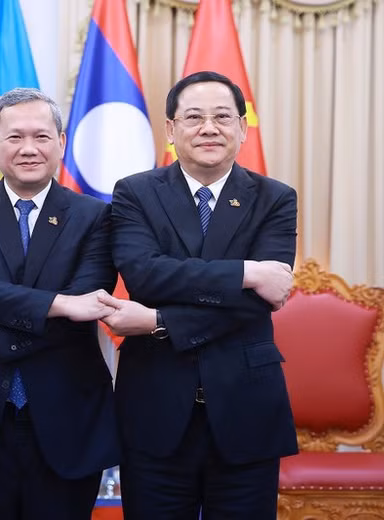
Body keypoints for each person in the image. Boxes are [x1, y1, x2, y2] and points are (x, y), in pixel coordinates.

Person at [98, 71, 298, 519]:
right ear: (171, 130)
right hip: (154, 407)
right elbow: (147, 278)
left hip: (247, 409)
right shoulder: (135, 193)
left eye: (223, 117)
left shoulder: (275, 199)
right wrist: (247, 271)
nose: (209, 128)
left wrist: (158, 321)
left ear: (243, 128)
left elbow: (259, 303)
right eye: (194, 117)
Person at [0, 87, 120, 520]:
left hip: (68, 419)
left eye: (41, 136)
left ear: (61, 142)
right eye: (15, 137)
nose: (28, 148)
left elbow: (86, 308)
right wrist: (60, 303)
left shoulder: (96, 216)